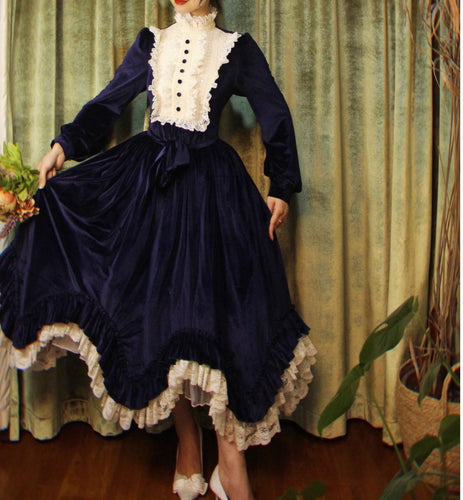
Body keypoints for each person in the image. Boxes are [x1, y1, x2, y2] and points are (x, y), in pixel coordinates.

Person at [0, 0, 317, 498]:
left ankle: (230, 463)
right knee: (161, 323)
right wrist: (63, 146)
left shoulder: (237, 48)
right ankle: (188, 442)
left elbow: (274, 112)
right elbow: (108, 103)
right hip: (149, 189)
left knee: (219, 322)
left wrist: (281, 183)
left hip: (213, 196)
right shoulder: (152, 41)